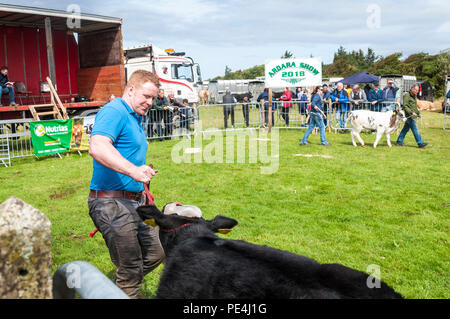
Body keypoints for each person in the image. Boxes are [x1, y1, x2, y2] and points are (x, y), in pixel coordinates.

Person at [88, 70, 165, 299]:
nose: (150, 103)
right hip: (111, 203)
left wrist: (142, 174)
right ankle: (121, 290)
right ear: (131, 90)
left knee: (155, 253)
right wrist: (134, 171)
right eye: (146, 96)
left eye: (153, 98)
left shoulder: (134, 116)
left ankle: (110, 292)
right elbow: (98, 147)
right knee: (130, 269)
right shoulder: (114, 111)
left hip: (135, 202)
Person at [396, 84, 428, 148]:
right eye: (416, 90)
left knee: (405, 129)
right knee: (415, 129)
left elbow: (414, 106)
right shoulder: (407, 95)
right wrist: (411, 112)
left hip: (413, 115)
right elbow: (405, 106)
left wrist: (418, 113)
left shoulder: (415, 96)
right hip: (409, 115)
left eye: (418, 90)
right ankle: (420, 143)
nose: (417, 91)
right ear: (412, 89)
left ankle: (399, 141)